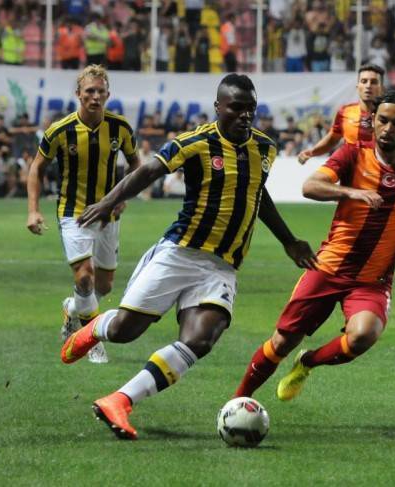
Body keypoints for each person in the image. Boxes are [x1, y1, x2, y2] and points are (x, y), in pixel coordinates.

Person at [58, 74, 317, 440]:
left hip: (222, 266)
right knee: (124, 331)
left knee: (201, 339)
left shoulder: (265, 148)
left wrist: (289, 241)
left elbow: (255, 193)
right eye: (237, 108)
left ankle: (120, 400)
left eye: (251, 109)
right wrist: (107, 202)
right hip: (180, 252)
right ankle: (94, 327)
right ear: (218, 107)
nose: (245, 115)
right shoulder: (196, 142)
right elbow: (149, 170)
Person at [233, 90, 395, 402]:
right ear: (373, 120)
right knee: (281, 342)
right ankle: (237, 401)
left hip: (372, 279)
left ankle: (308, 362)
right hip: (328, 267)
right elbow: (310, 186)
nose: (388, 128)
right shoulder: (352, 155)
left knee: (363, 335)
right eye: (383, 120)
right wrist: (352, 192)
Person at [27, 65, 140, 363]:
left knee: (103, 285)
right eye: (89, 91)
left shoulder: (120, 128)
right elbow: (36, 167)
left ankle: (72, 308)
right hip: (73, 213)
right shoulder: (60, 130)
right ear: (78, 94)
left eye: (100, 91)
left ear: (108, 95)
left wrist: (123, 196)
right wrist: (33, 210)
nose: (95, 96)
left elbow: (136, 165)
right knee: (85, 278)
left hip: (108, 216)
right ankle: (91, 342)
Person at [298, 64, 395, 165]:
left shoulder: (393, 114)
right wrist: (312, 152)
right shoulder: (344, 112)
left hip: (383, 179)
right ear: (358, 86)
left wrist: (392, 158)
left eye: (373, 82)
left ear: (382, 88)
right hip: (351, 179)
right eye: (364, 81)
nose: (368, 86)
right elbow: (331, 140)